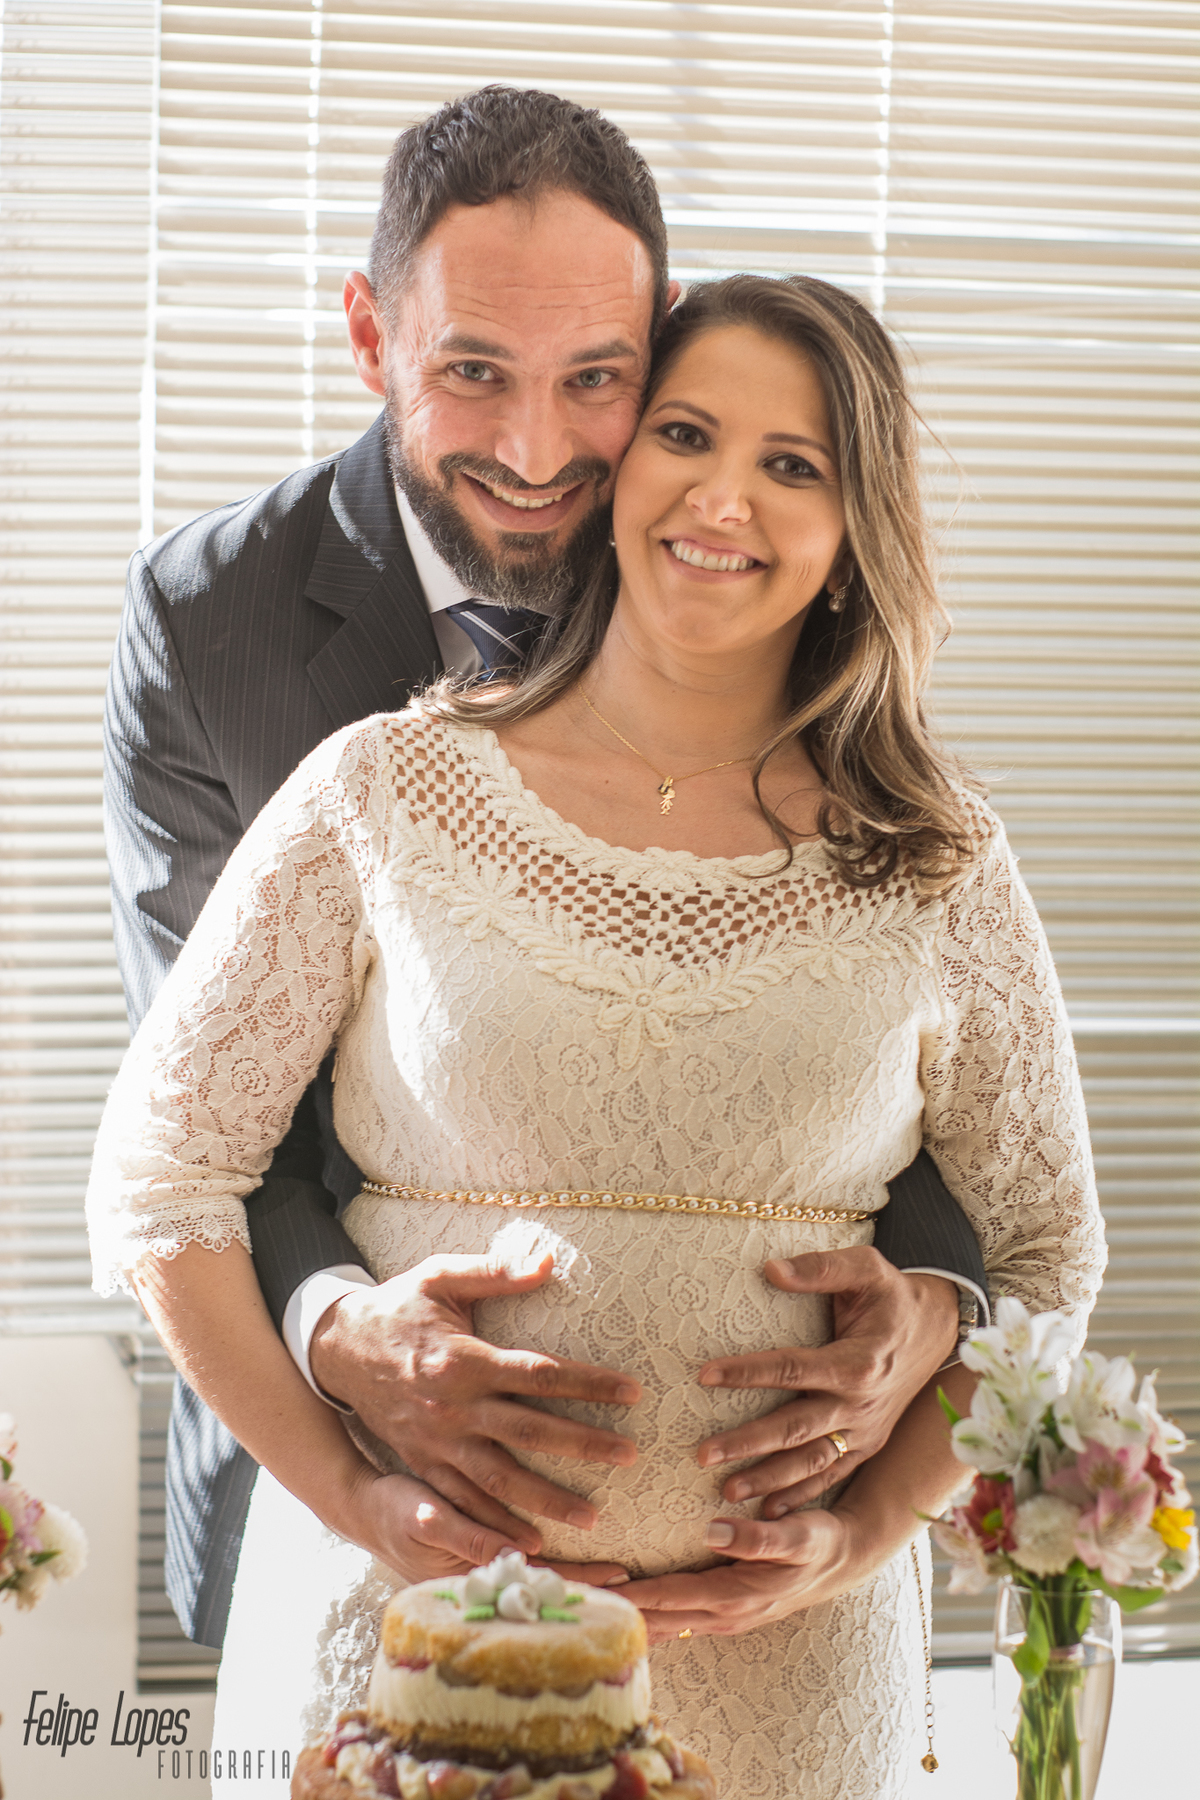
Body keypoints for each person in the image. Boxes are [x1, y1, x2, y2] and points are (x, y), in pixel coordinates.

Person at [88, 270, 1105, 1799]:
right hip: (424, 1621)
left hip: (795, 1662)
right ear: (619, 466)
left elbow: (1046, 1256)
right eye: (686, 431)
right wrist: (354, 1504)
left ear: (852, 534)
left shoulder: (939, 854)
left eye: (795, 464)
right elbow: (163, 1181)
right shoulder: (384, 791)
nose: (722, 495)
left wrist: (867, 1529)